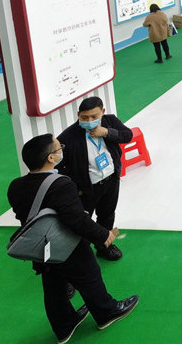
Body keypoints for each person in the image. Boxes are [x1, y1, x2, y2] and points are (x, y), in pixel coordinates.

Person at [7, 134, 138, 343]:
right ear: (51, 158)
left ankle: (64, 326)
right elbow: (77, 220)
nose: (62, 149)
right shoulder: (60, 184)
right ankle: (107, 313)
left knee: (53, 286)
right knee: (89, 276)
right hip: (67, 245)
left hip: (40, 247)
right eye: (59, 148)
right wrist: (103, 235)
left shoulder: (15, 185)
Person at [56, 97, 134, 262]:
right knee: (82, 223)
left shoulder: (110, 121)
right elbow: (58, 167)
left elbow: (128, 135)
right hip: (86, 189)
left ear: (102, 112)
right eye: (84, 117)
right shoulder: (67, 137)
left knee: (107, 215)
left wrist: (106, 132)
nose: (89, 121)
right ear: (78, 115)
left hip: (111, 180)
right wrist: (74, 187)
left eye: (94, 116)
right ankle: (79, 256)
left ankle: (104, 247)